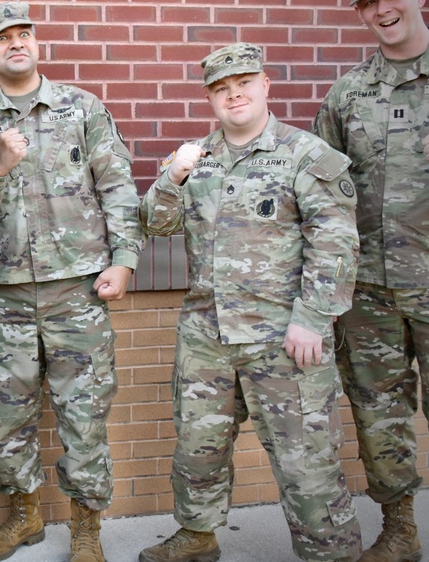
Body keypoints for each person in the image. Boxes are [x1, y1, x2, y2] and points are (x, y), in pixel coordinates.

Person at [139, 43, 363, 562]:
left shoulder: (307, 155)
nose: (232, 94)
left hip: (284, 338)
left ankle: (331, 553)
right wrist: (173, 177)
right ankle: (197, 535)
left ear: (266, 85)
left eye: (243, 82)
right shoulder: (197, 158)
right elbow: (156, 223)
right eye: (220, 87)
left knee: (306, 463)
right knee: (199, 449)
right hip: (207, 336)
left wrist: (312, 320)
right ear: (209, 98)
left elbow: (335, 243)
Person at [0, 2, 143, 562]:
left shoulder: (82, 109)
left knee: (84, 413)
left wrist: (126, 260)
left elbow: (117, 186)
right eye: (2, 38)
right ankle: (24, 517)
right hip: (8, 294)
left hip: (78, 292)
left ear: (36, 43)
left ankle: (86, 528)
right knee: (9, 412)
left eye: (24, 34)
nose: (16, 44)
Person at [312, 0, 429, 562]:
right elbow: (322, 195)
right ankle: (401, 530)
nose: (383, 10)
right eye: (369, 3)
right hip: (369, 293)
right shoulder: (347, 95)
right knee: (378, 414)